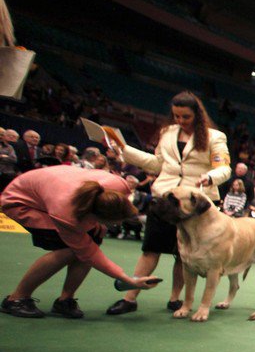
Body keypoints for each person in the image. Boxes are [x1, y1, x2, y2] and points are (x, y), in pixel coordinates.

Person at [106, 91, 231, 315]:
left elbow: (224, 168)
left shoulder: (215, 137)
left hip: (195, 206)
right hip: (166, 198)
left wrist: (211, 177)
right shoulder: (167, 132)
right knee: (150, 249)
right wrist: (125, 151)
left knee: (185, 256)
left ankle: (176, 299)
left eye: (186, 117)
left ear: (198, 116)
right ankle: (130, 298)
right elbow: (157, 164)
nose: (180, 121)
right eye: (176, 116)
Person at [1, 166, 160, 318]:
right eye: (114, 223)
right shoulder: (66, 215)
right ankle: (16, 299)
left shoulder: (120, 185)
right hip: (21, 201)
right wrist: (128, 280)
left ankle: (65, 300)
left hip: (54, 190)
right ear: (96, 215)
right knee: (69, 250)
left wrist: (98, 224)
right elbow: (90, 254)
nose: (117, 225)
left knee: (92, 239)